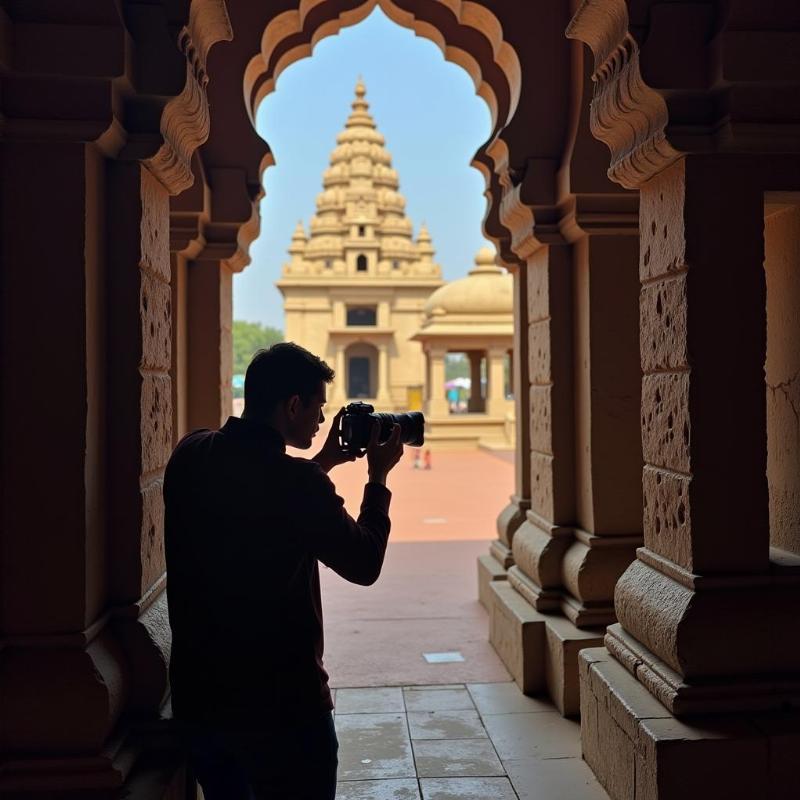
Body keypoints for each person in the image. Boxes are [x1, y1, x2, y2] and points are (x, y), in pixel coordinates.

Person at [164, 342, 404, 800]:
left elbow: (258, 495)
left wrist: (324, 462)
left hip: (204, 700)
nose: (320, 421)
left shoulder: (191, 454)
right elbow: (364, 562)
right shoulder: (297, 484)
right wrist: (377, 478)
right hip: (283, 707)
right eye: (317, 408)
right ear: (293, 405)